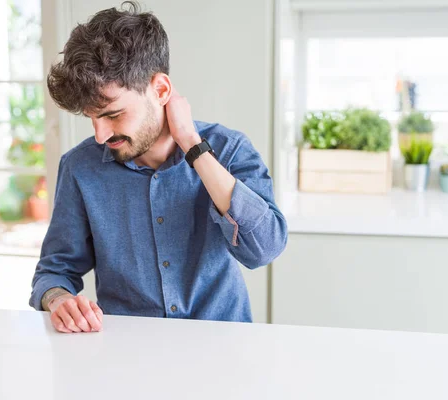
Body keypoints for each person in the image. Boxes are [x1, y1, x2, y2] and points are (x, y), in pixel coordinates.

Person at [29, 1, 288, 333]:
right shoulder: (80, 168)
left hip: (225, 351)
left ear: (161, 89)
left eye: (112, 114)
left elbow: (264, 248)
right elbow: (54, 271)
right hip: (127, 355)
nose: (100, 134)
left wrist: (193, 147)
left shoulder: (228, 149)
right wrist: (59, 300)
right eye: (91, 119)